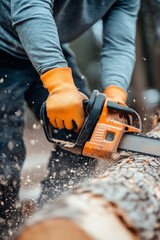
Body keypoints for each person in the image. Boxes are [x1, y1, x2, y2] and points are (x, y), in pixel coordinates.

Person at [0, 0, 140, 239]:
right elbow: (30, 8)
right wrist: (60, 85)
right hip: (7, 45)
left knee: (81, 142)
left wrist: (116, 94)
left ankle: (54, 218)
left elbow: (120, 44)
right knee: (4, 159)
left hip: (51, 46)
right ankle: (5, 229)